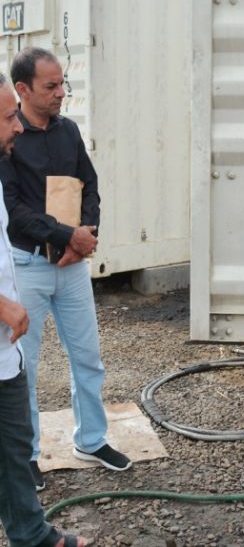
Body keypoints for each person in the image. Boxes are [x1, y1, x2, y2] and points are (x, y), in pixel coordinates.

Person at [0, 47, 131, 492]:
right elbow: (14, 211)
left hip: (71, 265)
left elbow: (89, 184)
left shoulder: (69, 131)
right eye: (51, 86)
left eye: (62, 84)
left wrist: (87, 232)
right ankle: (28, 455)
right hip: (28, 265)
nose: (61, 93)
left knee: (87, 357)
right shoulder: (8, 139)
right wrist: (66, 235)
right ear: (23, 89)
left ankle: (91, 440)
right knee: (25, 366)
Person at [0, 72, 85, 547]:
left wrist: (81, 233)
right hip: (7, 328)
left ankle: (32, 535)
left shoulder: (2, 168)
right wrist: (4, 305)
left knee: (13, 449)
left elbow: (88, 183)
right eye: (7, 117)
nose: (17, 126)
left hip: (4, 353)